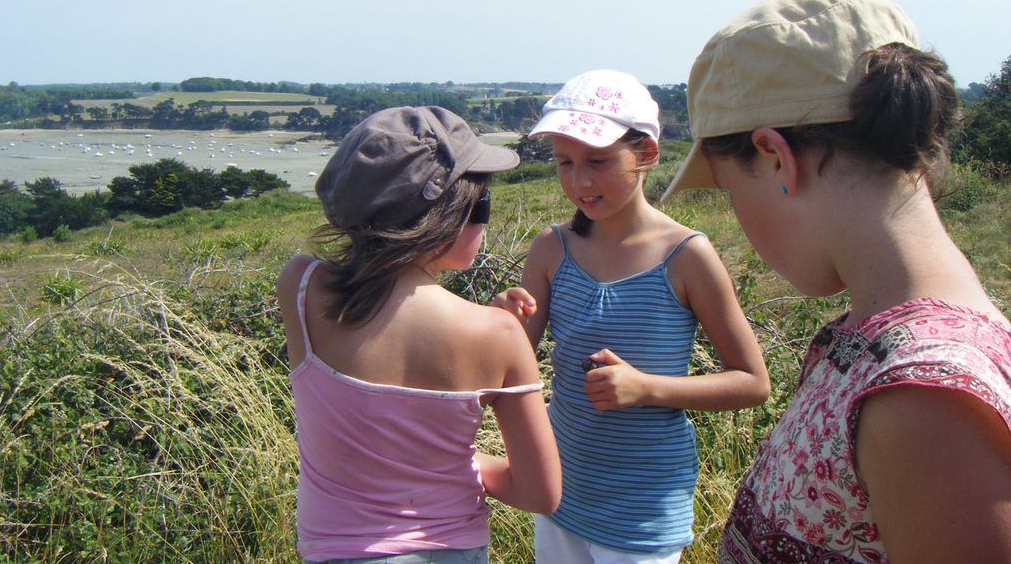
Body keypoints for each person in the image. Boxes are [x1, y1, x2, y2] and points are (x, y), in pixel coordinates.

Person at [660, 0, 1011, 564]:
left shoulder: (923, 399)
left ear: (775, 158)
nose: (739, 220)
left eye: (728, 190)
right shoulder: (883, 342)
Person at [494, 70, 771, 564]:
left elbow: (752, 383)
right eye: (564, 162)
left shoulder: (687, 255)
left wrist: (647, 388)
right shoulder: (551, 248)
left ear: (646, 155)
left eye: (597, 161)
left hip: (644, 504)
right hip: (561, 489)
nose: (579, 180)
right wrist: (499, 324)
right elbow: (508, 366)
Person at [278, 106, 561, 563]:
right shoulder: (498, 334)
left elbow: (394, 314)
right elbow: (540, 493)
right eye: (480, 203)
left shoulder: (301, 287)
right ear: (447, 214)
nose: (483, 221)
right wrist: (453, 467)